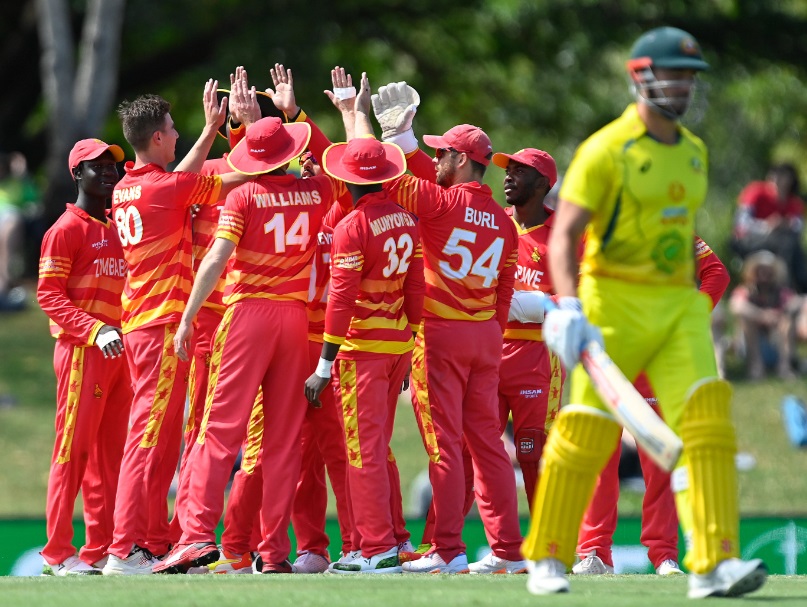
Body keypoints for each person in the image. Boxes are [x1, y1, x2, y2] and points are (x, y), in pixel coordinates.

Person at [523, 26, 768, 599]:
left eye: (689, 76)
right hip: (613, 302)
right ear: (641, 76)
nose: (683, 86)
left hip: (677, 309)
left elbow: (682, 243)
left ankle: (712, 563)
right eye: (672, 74)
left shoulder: (694, 153)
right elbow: (565, 239)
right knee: (586, 427)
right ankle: (551, 555)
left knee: (707, 421)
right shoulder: (605, 150)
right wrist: (565, 307)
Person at [154, 112, 349, 575]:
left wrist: (187, 316)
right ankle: (275, 552)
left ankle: (197, 536)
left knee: (218, 431)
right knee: (282, 443)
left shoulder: (242, 195)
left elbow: (218, 257)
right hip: (295, 321)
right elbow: (342, 168)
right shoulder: (317, 191)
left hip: (248, 316)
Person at [366, 79, 526, 575]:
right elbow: (504, 292)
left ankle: (449, 550)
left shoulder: (440, 203)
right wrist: (491, 334)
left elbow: (390, 181)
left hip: (441, 337)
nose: (435, 162)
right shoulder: (504, 221)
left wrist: (396, 134)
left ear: (460, 160)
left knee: (443, 445)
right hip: (484, 339)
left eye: (441, 155)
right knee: (488, 448)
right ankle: (507, 553)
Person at [102, 83, 252, 576]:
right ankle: (123, 550)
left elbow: (177, 182)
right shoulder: (165, 189)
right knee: (146, 440)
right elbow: (234, 181)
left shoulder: (132, 184)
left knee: (160, 440)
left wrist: (211, 132)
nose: (177, 133)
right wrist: (218, 129)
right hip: (162, 323)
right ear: (160, 139)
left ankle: (146, 543)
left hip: (141, 323)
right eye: (172, 130)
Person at [303, 111, 424, 572]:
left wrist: (323, 364)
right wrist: (411, 344)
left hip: (362, 352)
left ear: (346, 179)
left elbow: (342, 298)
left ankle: (375, 549)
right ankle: (387, 540)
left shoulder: (352, 226)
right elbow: (415, 292)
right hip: (395, 348)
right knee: (377, 446)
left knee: (362, 450)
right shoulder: (405, 220)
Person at [575, 236, 731, 576]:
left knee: (660, 460)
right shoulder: (591, 225)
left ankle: (664, 555)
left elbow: (716, 272)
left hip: (651, 358)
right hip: (604, 355)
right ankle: (594, 553)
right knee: (600, 458)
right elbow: (559, 271)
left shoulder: (667, 222)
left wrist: (686, 321)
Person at [37, 138, 132, 575]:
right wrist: (95, 330)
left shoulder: (118, 226)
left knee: (108, 459)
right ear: (77, 174)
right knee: (71, 452)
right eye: (99, 168)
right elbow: (48, 295)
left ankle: (99, 550)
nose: (109, 174)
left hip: (119, 356)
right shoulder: (64, 229)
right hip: (82, 352)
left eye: (113, 166)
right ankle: (57, 552)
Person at [492, 147, 563, 509]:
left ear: (542, 185)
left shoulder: (564, 237)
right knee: (481, 451)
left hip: (537, 359)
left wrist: (526, 305)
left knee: (533, 452)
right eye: (508, 170)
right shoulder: (492, 224)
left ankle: (547, 546)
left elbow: (574, 303)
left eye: (520, 172)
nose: (508, 176)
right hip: (488, 355)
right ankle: (501, 548)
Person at [731, 163, 806, 292]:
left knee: (791, 244)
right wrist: (767, 226)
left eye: (784, 175)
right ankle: (785, 289)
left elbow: (798, 227)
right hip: (748, 240)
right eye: (776, 174)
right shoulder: (756, 191)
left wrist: (784, 224)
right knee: (786, 244)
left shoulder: (794, 202)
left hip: (779, 242)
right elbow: (741, 223)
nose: (778, 179)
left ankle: (797, 287)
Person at [729, 250, 801, 380]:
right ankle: (756, 367)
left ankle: (784, 366)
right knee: (747, 319)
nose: (764, 274)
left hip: (776, 342)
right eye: (760, 270)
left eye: (768, 270)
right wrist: (762, 315)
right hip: (750, 346)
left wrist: (781, 314)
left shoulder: (781, 292)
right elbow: (736, 306)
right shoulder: (746, 290)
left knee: (788, 320)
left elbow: (796, 302)